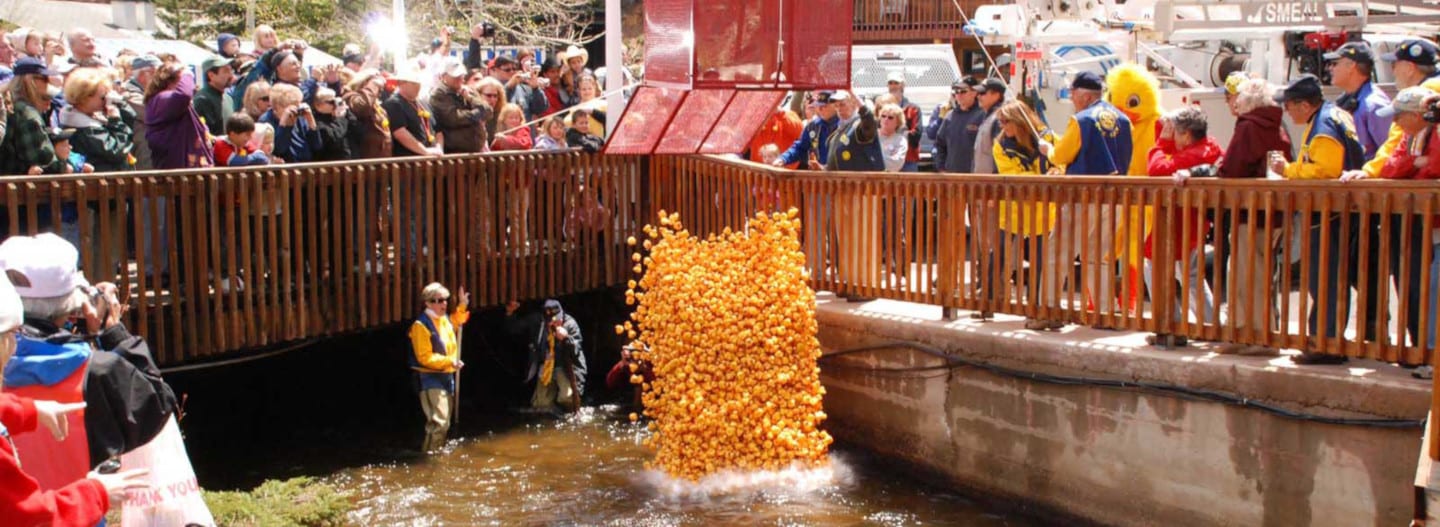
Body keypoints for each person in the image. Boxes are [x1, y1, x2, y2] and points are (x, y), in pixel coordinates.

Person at [0, 270, 151, 526]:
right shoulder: (98, 368)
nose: (15, 344)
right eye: (12, 334)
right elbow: (31, 519)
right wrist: (97, 492)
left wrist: (27, 409)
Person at [1268, 74, 1366, 365]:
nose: (1287, 112)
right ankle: (1327, 340)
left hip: (1328, 212)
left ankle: (1325, 343)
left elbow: (1325, 170)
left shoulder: (1324, 124)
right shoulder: (1333, 114)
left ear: (1303, 104)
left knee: (1324, 278)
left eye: (1289, 106)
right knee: (1329, 278)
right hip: (1337, 211)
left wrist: (1287, 170)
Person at [1195, 77, 1292, 356]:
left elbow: (1234, 166)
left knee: (1248, 273)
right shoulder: (1276, 126)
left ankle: (1255, 336)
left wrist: (1217, 174)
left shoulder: (1249, 126)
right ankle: (1242, 332)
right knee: (1252, 272)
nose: (1234, 103)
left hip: (1250, 213)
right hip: (1269, 212)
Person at [1031, 71, 1133, 331]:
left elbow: (1062, 156)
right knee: (1099, 256)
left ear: (1085, 95)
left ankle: (1049, 311)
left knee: (1058, 254)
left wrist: (1048, 150)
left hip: (1082, 196)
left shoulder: (1081, 121)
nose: (1072, 100)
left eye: (1073, 95)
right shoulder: (1124, 120)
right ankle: (1105, 312)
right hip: (1115, 198)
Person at [1142, 106, 1222, 347]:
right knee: (1192, 277)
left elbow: (1156, 169)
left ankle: (1171, 326)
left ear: (1186, 135)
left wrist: (1160, 145)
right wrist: (1165, 130)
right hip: (1191, 222)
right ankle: (1206, 326)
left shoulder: (1192, 155)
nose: (1171, 135)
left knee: (1156, 269)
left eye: (1175, 132)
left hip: (1178, 224)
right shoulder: (1210, 146)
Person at [408, 282, 469, 453]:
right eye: (439, 300)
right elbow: (424, 357)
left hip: (446, 376)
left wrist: (462, 305)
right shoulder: (421, 325)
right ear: (428, 303)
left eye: (445, 300)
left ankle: (431, 452)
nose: (444, 304)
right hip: (429, 378)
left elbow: (456, 321)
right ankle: (431, 458)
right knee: (440, 422)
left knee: (443, 423)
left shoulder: (443, 320)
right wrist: (450, 361)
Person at [60, 66, 135, 173]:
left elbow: (131, 120)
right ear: (85, 96)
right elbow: (117, 151)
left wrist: (121, 104)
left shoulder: (90, 118)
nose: (106, 100)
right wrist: (116, 122)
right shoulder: (85, 129)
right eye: (103, 97)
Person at [1325, 42, 1391, 157]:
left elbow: (1389, 153)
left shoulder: (1375, 105)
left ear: (1351, 65)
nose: (1330, 68)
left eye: (1334, 63)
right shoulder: (1345, 99)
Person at [0, 58, 64, 175]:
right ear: (29, 80)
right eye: (44, 78)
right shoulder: (27, 114)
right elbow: (42, 159)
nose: (48, 82)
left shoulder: (8, 106)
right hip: (22, 187)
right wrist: (64, 163)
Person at [520, 299, 585, 413]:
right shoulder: (539, 323)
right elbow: (515, 328)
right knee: (541, 405)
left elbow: (576, 350)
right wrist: (509, 314)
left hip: (563, 366)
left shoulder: (570, 324)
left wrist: (566, 338)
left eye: (556, 319)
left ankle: (564, 410)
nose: (553, 323)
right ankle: (553, 411)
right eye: (550, 320)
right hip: (546, 365)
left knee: (567, 398)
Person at [145, 62, 213, 169]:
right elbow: (184, 95)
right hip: (176, 176)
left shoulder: (175, 103)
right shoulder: (160, 99)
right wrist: (187, 73)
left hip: (193, 174)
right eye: (183, 81)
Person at [430, 61, 491, 154]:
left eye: (461, 75)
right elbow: (454, 118)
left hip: (476, 150)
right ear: (444, 76)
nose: (459, 78)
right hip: (454, 153)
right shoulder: (439, 94)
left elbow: (488, 112)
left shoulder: (469, 90)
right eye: (455, 76)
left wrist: (470, 98)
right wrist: (478, 114)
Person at [775, 90, 840, 169]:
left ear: (835, 105)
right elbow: (801, 148)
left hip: (842, 177)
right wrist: (783, 159)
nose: (820, 109)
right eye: (818, 105)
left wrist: (825, 169)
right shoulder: (813, 126)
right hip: (817, 178)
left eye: (824, 106)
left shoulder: (845, 125)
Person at [383, 72, 442, 157]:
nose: (418, 86)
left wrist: (439, 148)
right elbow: (400, 133)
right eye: (414, 83)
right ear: (401, 83)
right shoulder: (393, 103)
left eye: (419, 83)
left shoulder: (424, 103)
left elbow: (438, 131)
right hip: (410, 162)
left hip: (433, 159)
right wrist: (425, 151)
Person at [258, 83, 320, 163]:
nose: (295, 109)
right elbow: (279, 150)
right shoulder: (266, 120)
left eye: (297, 105)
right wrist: (284, 125)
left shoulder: (300, 118)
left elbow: (317, 146)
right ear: (277, 106)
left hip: (306, 166)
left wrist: (311, 120)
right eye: (291, 106)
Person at [934, 79, 985, 173]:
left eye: (963, 91)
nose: (959, 95)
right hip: (952, 176)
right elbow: (940, 144)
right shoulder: (949, 116)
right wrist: (941, 167)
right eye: (956, 92)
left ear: (974, 93)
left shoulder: (983, 115)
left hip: (976, 177)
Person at [342, 69, 392, 159]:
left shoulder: (376, 105)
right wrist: (374, 84)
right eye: (377, 87)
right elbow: (363, 107)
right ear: (365, 83)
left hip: (381, 159)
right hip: (365, 159)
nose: (379, 90)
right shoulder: (351, 97)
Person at [122, 55, 158, 170]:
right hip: (142, 151)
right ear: (144, 74)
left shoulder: (148, 92)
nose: (163, 78)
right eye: (157, 73)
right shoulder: (128, 93)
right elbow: (155, 113)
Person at [884, 71, 923, 171]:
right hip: (886, 160)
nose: (893, 86)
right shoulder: (882, 109)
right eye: (890, 83)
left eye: (896, 83)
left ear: (903, 85)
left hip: (908, 161)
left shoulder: (913, 109)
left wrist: (894, 132)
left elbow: (916, 135)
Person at [970, 78, 1007, 174]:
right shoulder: (987, 116)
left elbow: (1000, 154)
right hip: (982, 181)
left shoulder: (999, 119)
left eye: (983, 93)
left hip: (992, 183)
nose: (978, 97)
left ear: (996, 95)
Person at [193, 56, 234, 138]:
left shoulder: (228, 98)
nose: (231, 75)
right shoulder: (202, 100)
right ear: (211, 75)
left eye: (231, 70)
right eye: (226, 71)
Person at [310, 87, 351, 161]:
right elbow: (334, 138)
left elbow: (358, 130)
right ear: (318, 105)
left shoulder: (335, 116)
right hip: (328, 165)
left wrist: (346, 111)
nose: (334, 105)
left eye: (335, 101)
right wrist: (340, 119)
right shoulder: (315, 121)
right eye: (331, 102)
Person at [876, 103, 908, 172]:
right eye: (883, 116)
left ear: (898, 122)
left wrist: (874, 158)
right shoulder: (871, 136)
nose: (886, 119)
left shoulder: (900, 141)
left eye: (890, 117)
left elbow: (896, 164)